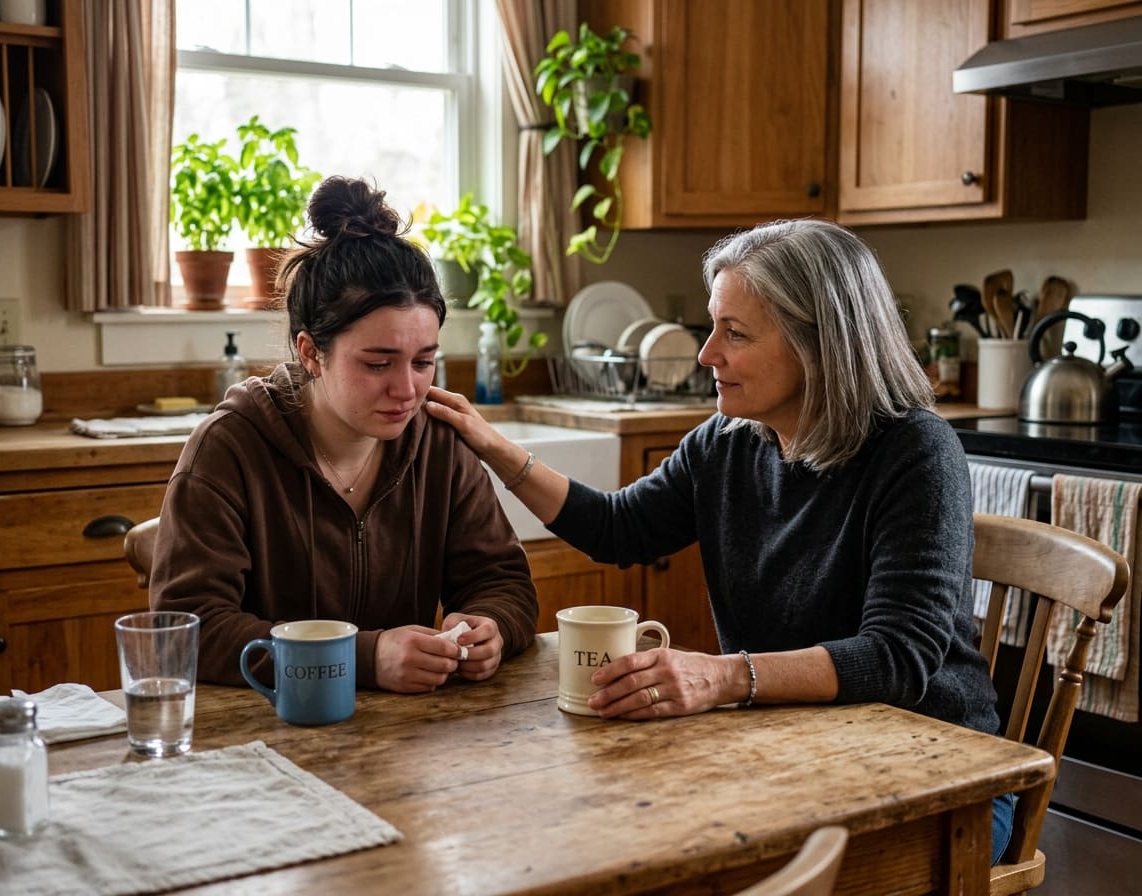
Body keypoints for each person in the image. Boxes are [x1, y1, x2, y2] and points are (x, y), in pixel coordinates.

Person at [426, 218, 1016, 862]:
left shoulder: (916, 452)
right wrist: (499, 451)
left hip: (941, 778)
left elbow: (897, 658)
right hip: (795, 751)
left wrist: (722, 678)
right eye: (715, 326)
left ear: (819, 346)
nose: (707, 354)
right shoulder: (728, 442)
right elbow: (618, 527)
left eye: (734, 333)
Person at [150, 175, 538, 694]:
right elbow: (187, 630)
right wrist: (363, 658)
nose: (408, 390)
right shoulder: (228, 448)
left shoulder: (440, 443)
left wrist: (492, 627)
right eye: (378, 363)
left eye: (424, 362)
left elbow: (503, 582)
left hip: (408, 746)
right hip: (263, 740)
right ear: (310, 352)